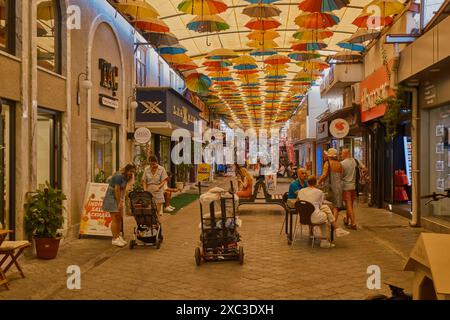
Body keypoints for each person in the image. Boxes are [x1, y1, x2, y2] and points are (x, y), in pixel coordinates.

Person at [297, 175, 350, 248]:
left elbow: (299, 201)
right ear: (316, 183)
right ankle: (330, 234)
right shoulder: (319, 192)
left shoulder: (301, 191)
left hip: (303, 217)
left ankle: (335, 229)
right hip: (314, 217)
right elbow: (320, 204)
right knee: (325, 214)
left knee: (325, 209)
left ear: (307, 182)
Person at [102, 164, 136, 247]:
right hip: (112, 196)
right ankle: (114, 239)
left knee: (119, 218)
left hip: (118, 197)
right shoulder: (119, 176)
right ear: (126, 170)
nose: (131, 173)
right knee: (115, 218)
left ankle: (118, 236)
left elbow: (123, 189)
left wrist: (122, 200)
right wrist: (119, 203)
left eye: (133, 172)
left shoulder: (127, 177)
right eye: (130, 171)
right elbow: (116, 190)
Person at [318, 148, 343, 223]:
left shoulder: (327, 163)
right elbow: (342, 176)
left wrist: (318, 182)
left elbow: (324, 175)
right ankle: (334, 224)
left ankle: (330, 223)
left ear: (329, 155)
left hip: (329, 188)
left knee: (327, 205)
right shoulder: (340, 164)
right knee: (336, 207)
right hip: (338, 187)